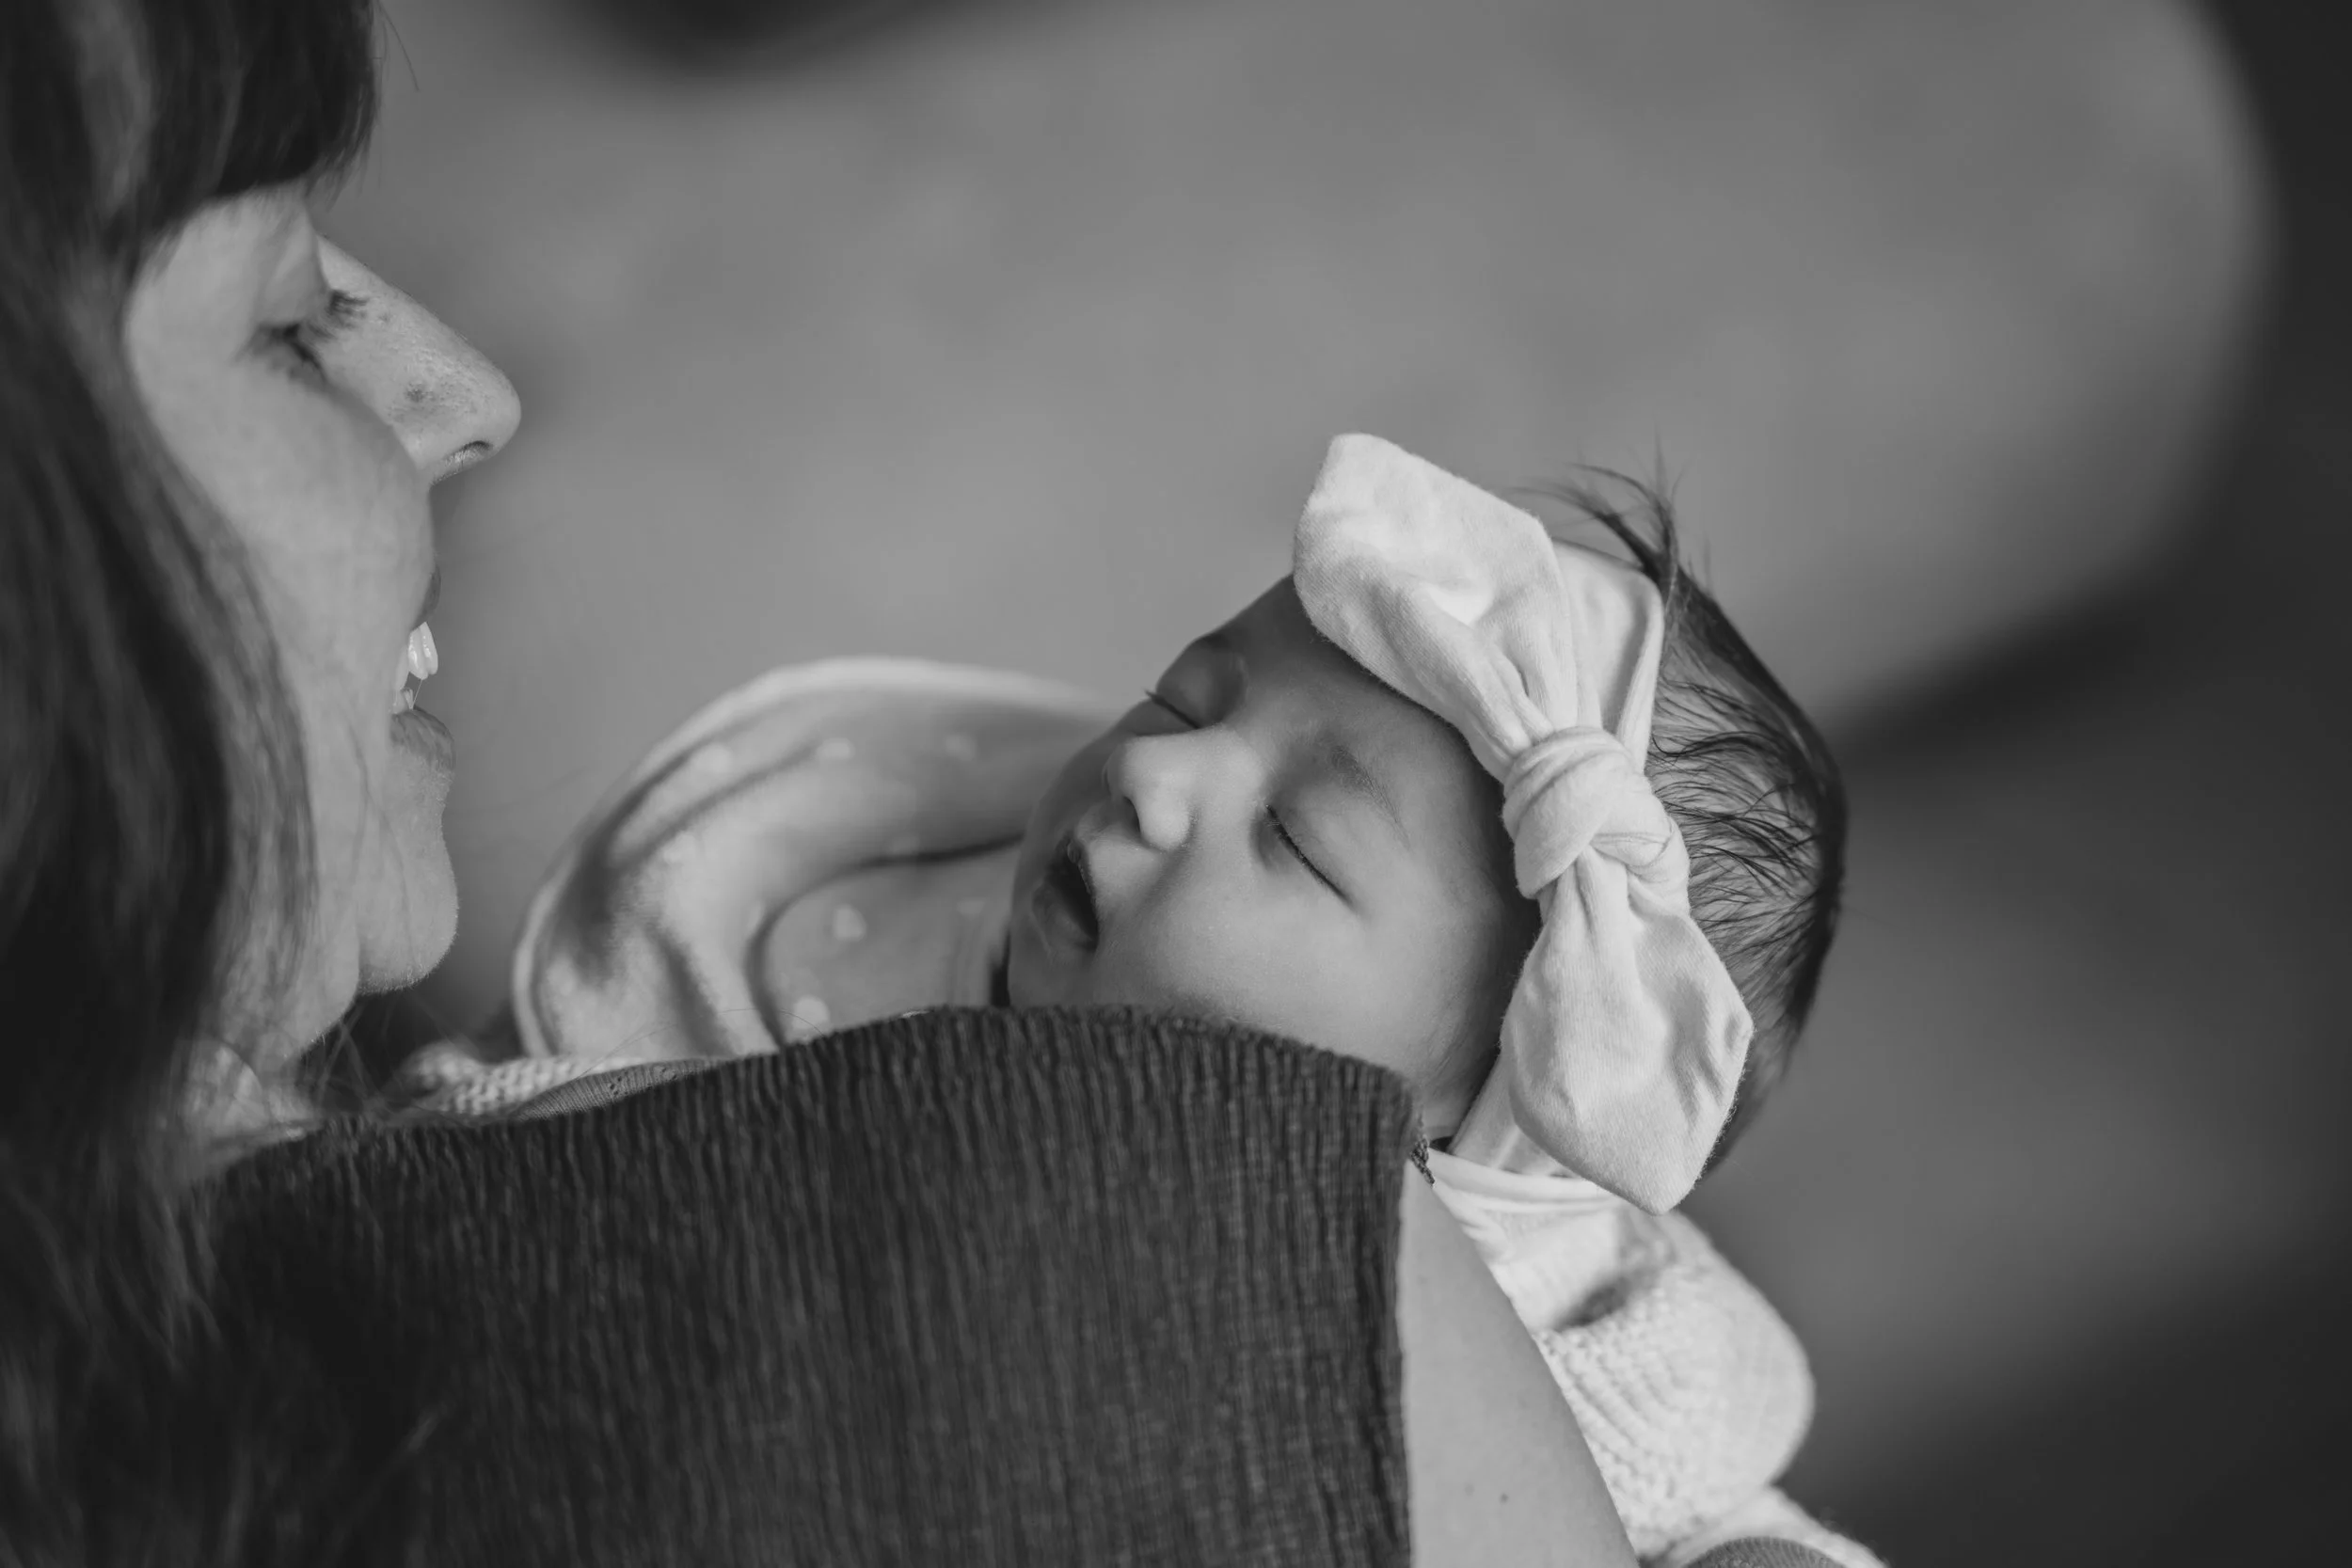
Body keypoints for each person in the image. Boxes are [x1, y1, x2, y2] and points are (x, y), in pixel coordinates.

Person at [0, 3, 1710, 1564]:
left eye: (1302, 836)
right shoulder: (1186, 1261)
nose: (471, 394)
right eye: (294, 324)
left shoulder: (1405, 1284)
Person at [405, 436, 1875, 1565]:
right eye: (1188, 695)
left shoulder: (1556, 1338)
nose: (1161, 776)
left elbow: (1698, 1516)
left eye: (1299, 839)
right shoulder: (847, 907)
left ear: (1454, 1133)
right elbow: (516, 1147)